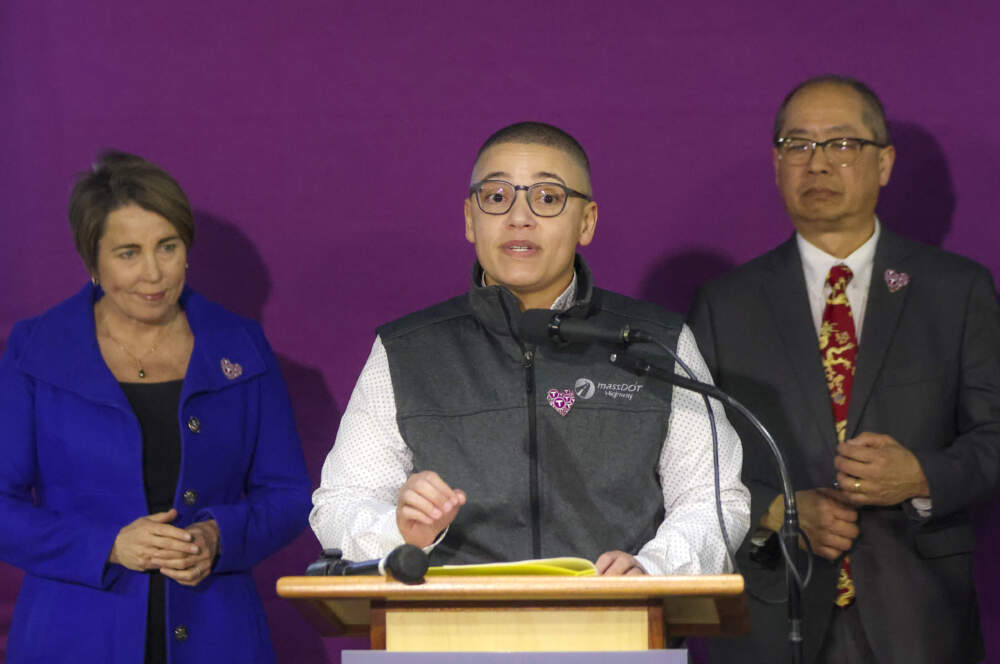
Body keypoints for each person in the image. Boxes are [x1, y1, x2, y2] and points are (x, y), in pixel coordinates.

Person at [310, 121, 749, 575]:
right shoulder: (407, 351)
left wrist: (652, 569)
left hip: (617, 624)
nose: (519, 218)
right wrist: (402, 532)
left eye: (547, 198)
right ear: (469, 219)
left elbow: (716, 500)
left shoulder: (657, 341)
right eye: (497, 197)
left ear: (587, 222)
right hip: (446, 632)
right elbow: (339, 503)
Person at [689, 75, 1000, 664]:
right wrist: (776, 511)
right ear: (777, 164)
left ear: (883, 163)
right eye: (798, 145)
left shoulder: (956, 290)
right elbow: (691, 463)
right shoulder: (725, 305)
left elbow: (994, 435)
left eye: (841, 144)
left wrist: (921, 476)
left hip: (921, 615)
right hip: (777, 613)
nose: (818, 164)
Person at [0, 151, 312, 663]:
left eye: (167, 247)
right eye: (127, 253)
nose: (153, 273)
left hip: (219, 635)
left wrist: (219, 536)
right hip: (71, 637)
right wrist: (108, 544)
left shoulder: (240, 345)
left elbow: (288, 495)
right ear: (92, 263)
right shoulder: (36, 350)